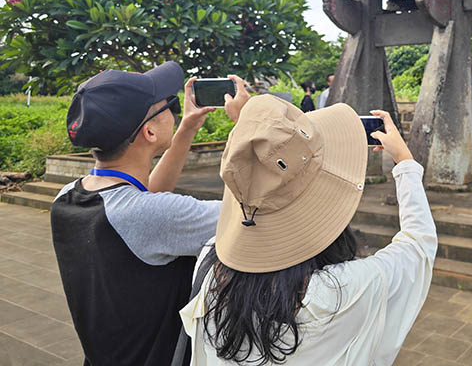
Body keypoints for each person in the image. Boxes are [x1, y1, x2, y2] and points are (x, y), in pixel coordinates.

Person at [179, 97, 437, 366]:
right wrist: (405, 163)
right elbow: (419, 245)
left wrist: (256, 144)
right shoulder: (345, 291)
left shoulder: (211, 268)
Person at [51, 62, 251, 366]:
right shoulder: (151, 216)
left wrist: (186, 129)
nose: (176, 110)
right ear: (149, 131)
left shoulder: (66, 198)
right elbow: (245, 216)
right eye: (169, 105)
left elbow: (143, 203)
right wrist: (247, 127)